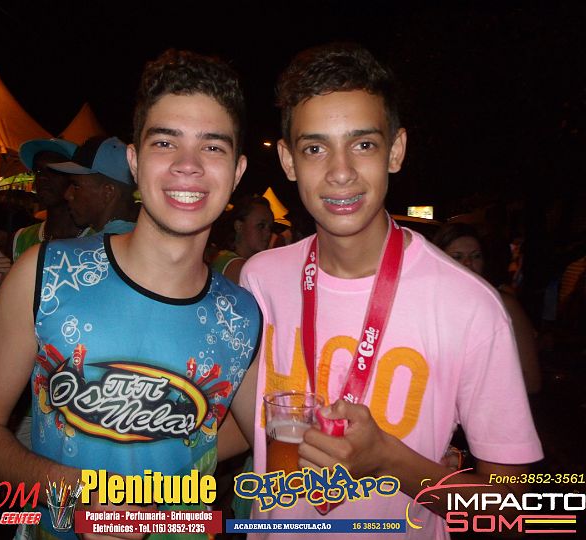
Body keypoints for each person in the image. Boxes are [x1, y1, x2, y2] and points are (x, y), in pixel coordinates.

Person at [231, 43, 543, 539]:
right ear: (288, 161)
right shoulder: (261, 279)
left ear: (395, 150)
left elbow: (511, 510)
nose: (340, 171)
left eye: (363, 145)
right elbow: (246, 426)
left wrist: (391, 462)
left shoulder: (468, 305)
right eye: (315, 149)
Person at [0, 49, 260, 540]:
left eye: (212, 147)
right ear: (135, 162)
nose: (188, 165)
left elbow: (256, 429)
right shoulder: (46, 274)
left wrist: (173, 469)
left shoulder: (243, 315)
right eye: (166, 142)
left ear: (237, 172)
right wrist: (74, 490)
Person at [433, 222, 542, 394]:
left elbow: (532, 381)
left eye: (476, 256)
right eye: (457, 257)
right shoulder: (429, 306)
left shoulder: (504, 304)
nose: (468, 263)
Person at [49, 135, 138, 237]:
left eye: (76, 185)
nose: (67, 195)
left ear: (108, 192)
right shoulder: (138, 237)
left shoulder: (98, 244)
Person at [13, 138, 85, 262]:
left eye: (54, 170)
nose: (42, 177)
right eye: (38, 170)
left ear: (74, 177)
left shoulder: (99, 237)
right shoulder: (23, 239)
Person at [210, 195, 274, 284]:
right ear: (239, 226)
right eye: (261, 225)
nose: (268, 233)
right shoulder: (239, 267)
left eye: (270, 227)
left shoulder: (224, 257)